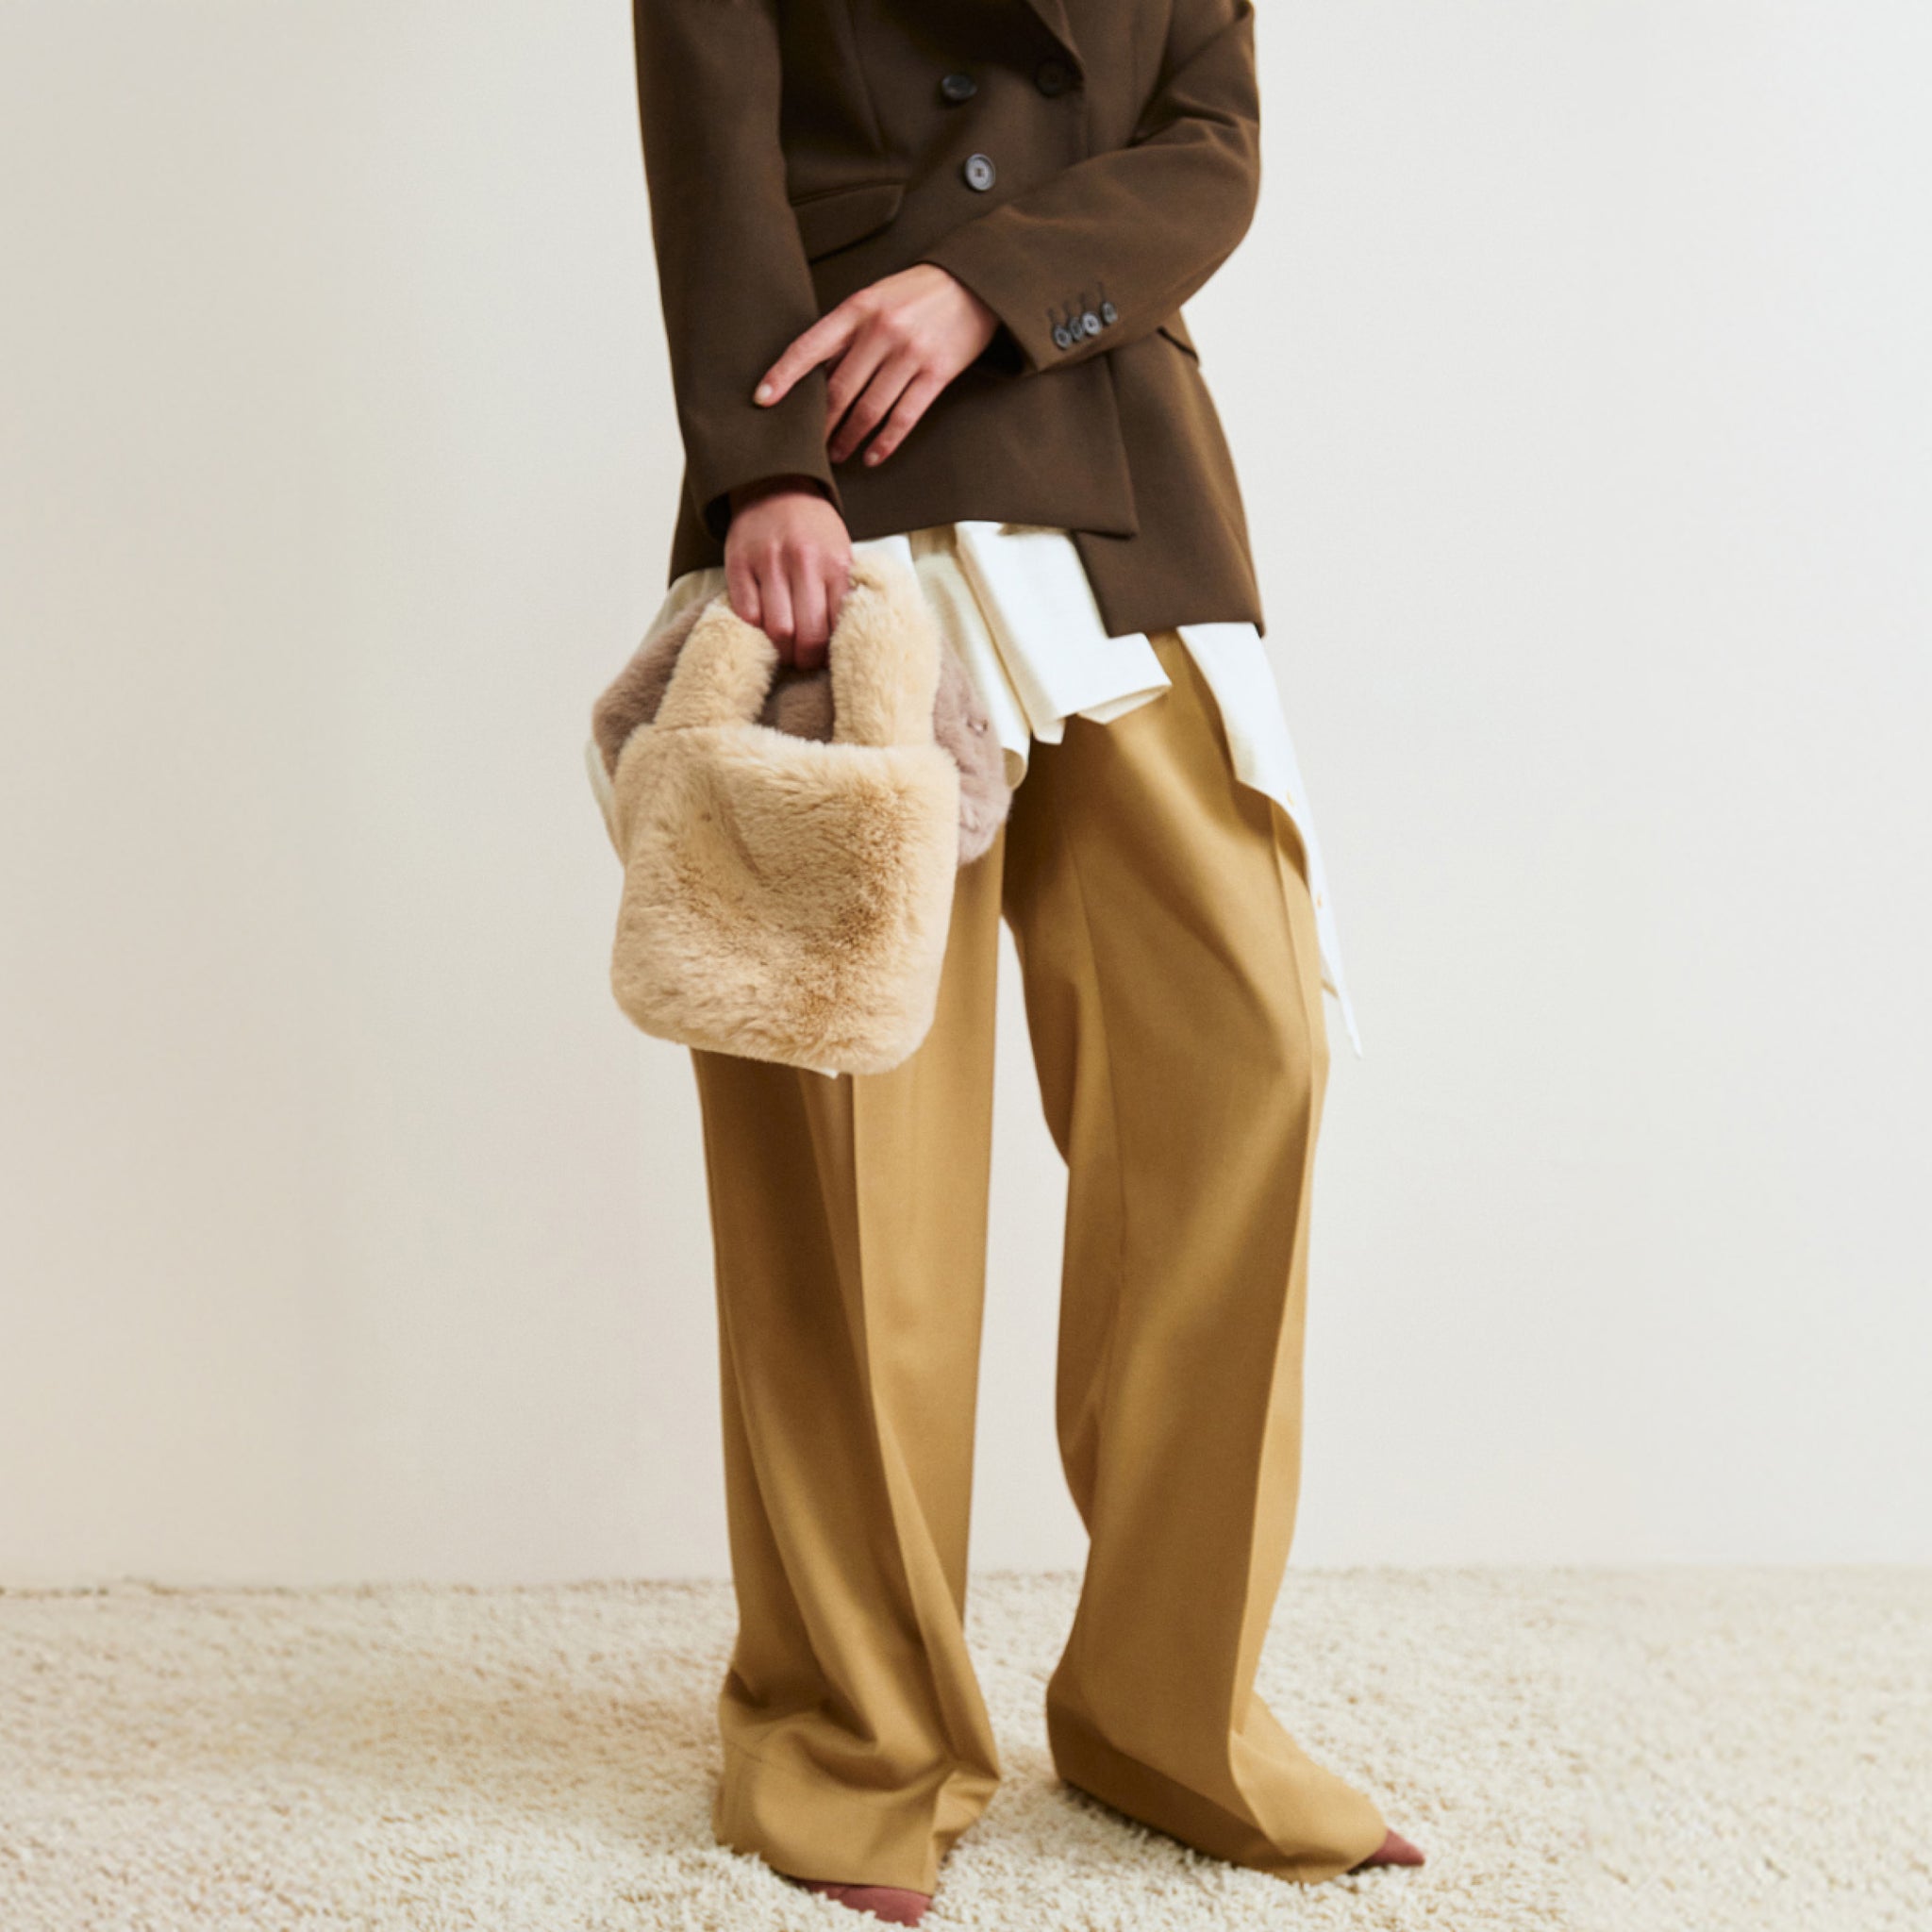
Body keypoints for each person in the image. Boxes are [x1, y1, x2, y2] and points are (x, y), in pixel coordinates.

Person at [619, 2, 1424, 1921]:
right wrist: (763, 461)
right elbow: (707, 116)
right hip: (840, 482)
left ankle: (1171, 1706)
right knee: (849, 1122)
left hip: (1115, 463)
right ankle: (851, 1728)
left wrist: (988, 285)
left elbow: (1208, 142)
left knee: (1246, 1058)